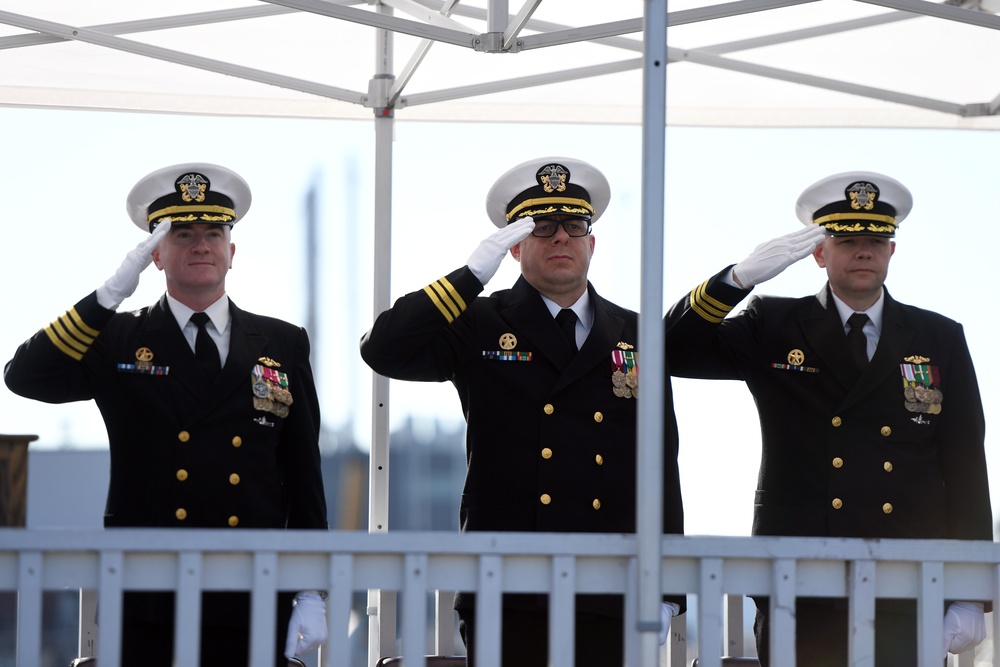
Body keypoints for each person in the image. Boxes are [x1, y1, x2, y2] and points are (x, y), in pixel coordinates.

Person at [359, 157, 685, 666]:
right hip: (507, 586)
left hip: (611, 586)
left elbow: (662, 466)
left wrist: (670, 588)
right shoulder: (480, 322)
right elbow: (384, 348)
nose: (560, 238)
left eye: (574, 226)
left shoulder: (638, 333)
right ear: (514, 246)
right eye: (541, 227)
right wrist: (469, 277)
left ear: (591, 243)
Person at [4, 163, 329, 667]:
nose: (201, 244)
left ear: (231, 252)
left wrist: (311, 588)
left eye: (213, 232)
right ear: (155, 255)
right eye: (182, 234)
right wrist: (106, 297)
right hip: (146, 593)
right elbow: (25, 376)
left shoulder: (282, 342)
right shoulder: (117, 338)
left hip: (250, 589)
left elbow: (303, 473)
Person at [664, 171, 993, 665]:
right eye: (847, 239)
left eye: (877, 239)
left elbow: (965, 461)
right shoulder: (773, 324)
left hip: (905, 578)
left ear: (891, 251)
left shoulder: (938, 336)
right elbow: (668, 349)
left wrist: (971, 592)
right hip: (796, 579)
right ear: (819, 253)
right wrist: (737, 280)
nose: (864, 250)